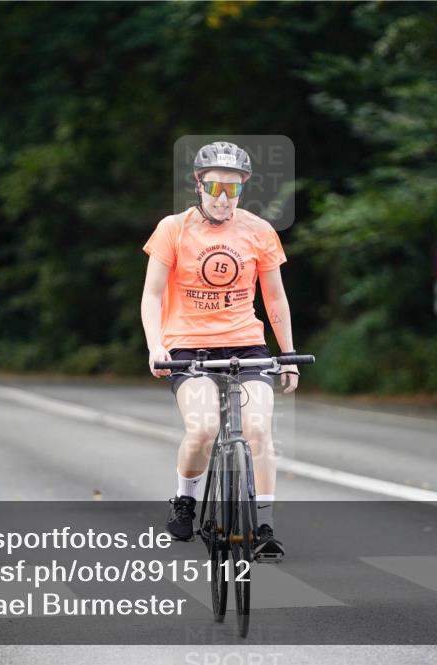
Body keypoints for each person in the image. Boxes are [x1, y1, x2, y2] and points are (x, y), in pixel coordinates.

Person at [140, 141, 299, 560]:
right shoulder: (173, 229)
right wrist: (157, 345)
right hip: (187, 346)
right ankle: (185, 499)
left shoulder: (259, 231)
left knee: (260, 431)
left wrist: (288, 354)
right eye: (215, 188)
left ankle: (263, 526)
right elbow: (152, 295)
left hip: (246, 345)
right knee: (203, 429)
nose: (224, 199)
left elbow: (276, 299)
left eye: (234, 189)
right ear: (199, 185)